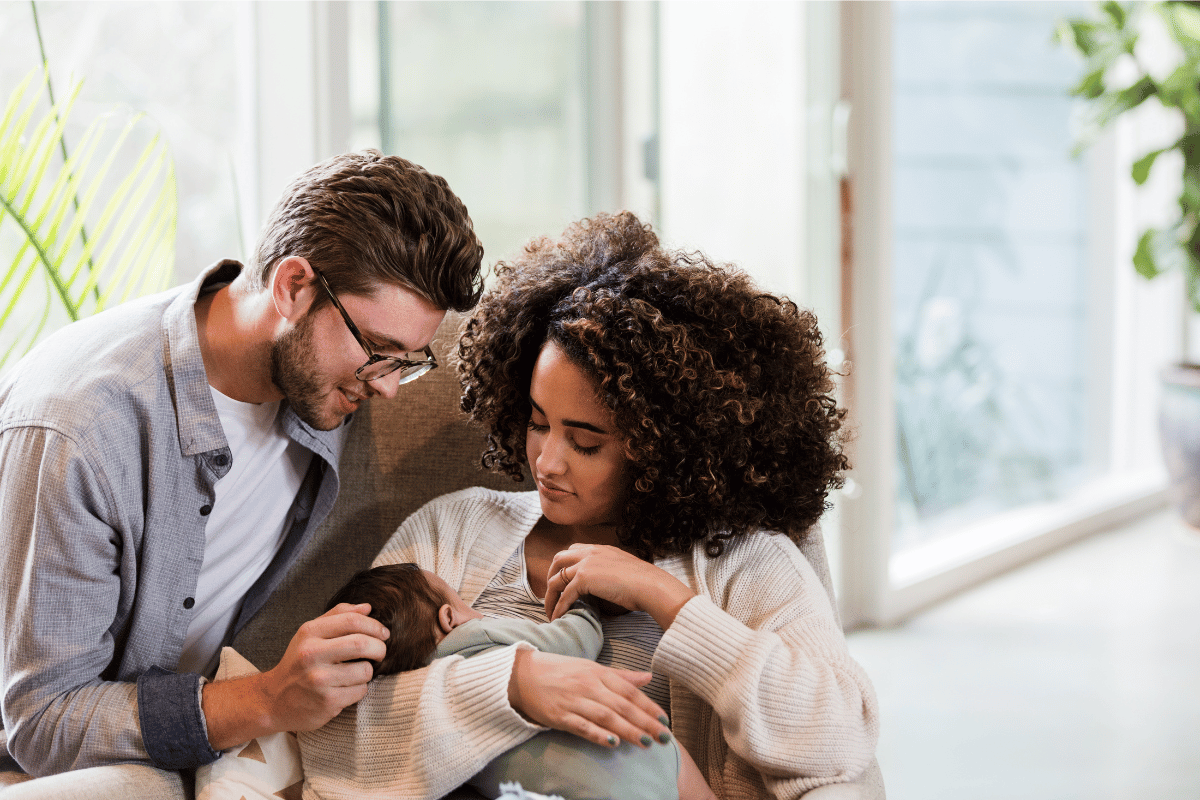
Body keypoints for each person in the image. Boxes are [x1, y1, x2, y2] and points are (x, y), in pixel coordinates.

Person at [298, 211, 880, 800]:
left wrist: (666, 599)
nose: (546, 462)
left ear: (664, 448)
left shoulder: (743, 562)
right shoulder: (454, 530)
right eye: (536, 422)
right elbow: (331, 727)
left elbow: (840, 743)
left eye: (585, 442)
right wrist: (513, 686)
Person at [0, 150, 486, 787]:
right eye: (379, 353)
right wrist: (267, 699)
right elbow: (43, 723)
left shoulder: (325, 383)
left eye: (409, 361)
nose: (390, 388)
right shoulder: (81, 428)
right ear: (291, 287)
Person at [319, 563, 717, 800]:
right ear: (448, 618)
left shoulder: (416, 713)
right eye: (460, 599)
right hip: (635, 751)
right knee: (670, 750)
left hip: (556, 789)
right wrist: (582, 603)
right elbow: (575, 643)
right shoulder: (482, 637)